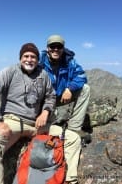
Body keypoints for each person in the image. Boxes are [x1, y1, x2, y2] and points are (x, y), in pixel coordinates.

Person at [0, 43, 56, 184]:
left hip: (36, 125)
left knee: (70, 137)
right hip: (12, 122)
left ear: (38, 60)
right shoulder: (9, 72)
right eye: (25, 56)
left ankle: (71, 179)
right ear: (20, 58)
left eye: (33, 57)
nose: (29, 59)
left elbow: (51, 96)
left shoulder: (43, 75)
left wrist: (46, 111)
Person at [39, 34, 90, 184]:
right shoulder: (40, 61)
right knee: (46, 126)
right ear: (47, 48)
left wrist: (70, 88)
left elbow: (81, 76)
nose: (56, 49)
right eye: (52, 46)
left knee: (85, 89)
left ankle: (74, 129)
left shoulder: (69, 61)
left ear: (63, 48)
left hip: (63, 95)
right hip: (46, 100)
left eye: (59, 46)